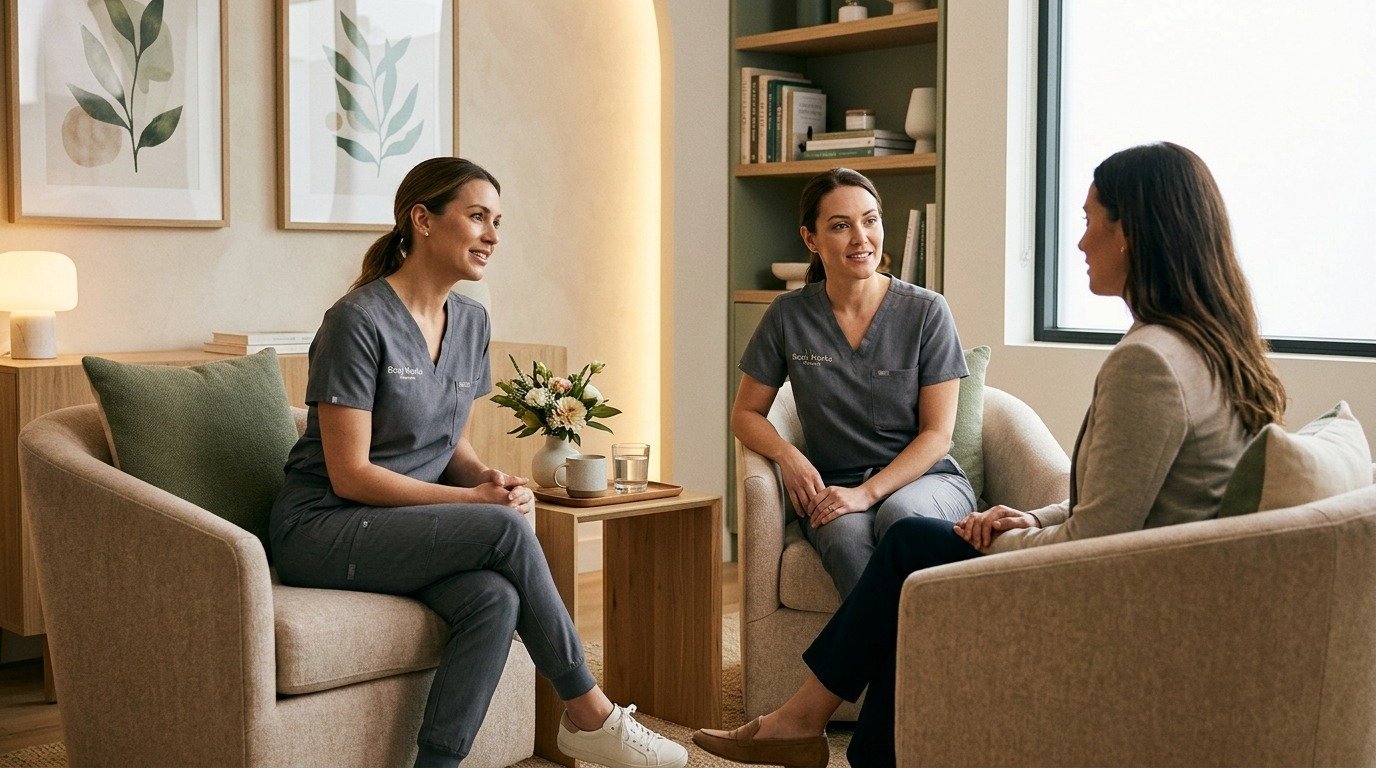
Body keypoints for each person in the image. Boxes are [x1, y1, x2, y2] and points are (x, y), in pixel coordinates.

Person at [694, 142, 1288, 768]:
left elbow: (1102, 538)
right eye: (840, 224)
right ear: (812, 239)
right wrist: (1033, 518)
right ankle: (841, 736)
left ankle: (806, 724)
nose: (1080, 244)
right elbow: (1117, 506)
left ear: (1134, 233)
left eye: (1089, 222)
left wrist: (1001, 545)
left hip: (1121, 591)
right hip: (1148, 569)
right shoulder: (1206, 346)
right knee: (906, 552)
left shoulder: (1147, 362)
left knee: (909, 544)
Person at [269, 157, 688, 768]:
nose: (492, 235)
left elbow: (450, 450)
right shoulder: (356, 321)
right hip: (322, 527)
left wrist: (490, 479)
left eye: (498, 221)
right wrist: (476, 506)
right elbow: (349, 473)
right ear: (422, 220)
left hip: (400, 527)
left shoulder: (471, 321)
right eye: (476, 217)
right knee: (501, 527)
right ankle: (589, 712)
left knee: (493, 598)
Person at [734, 168, 977, 600]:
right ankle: (891, 667)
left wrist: (867, 494)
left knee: (900, 518)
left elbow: (938, 436)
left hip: (926, 481)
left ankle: (895, 662)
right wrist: (788, 456)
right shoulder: (788, 316)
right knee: (844, 537)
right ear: (810, 239)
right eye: (840, 226)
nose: (860, 238)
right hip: (835, 487)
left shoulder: (927, 312)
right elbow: (746, 413)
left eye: (870, 220)